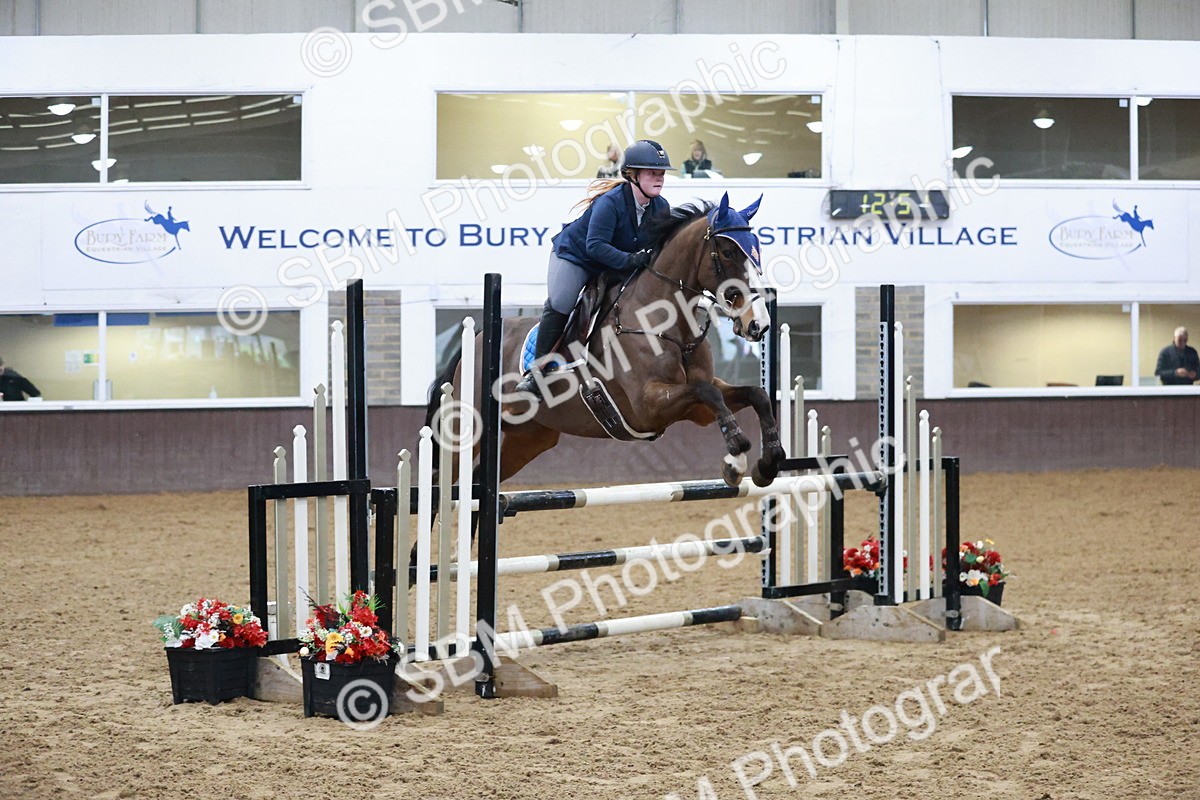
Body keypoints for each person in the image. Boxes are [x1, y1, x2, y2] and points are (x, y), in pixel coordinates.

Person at [515, 139, 673, 399]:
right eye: (652, 173)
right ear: (632, 176)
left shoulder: (661, 207)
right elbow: (595, 246)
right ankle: (537, 372)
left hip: (614, 261)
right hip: (577, 257)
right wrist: (631, 260)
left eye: (662, 173)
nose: (659, 178)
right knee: (562, 302)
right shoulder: (610, 203)